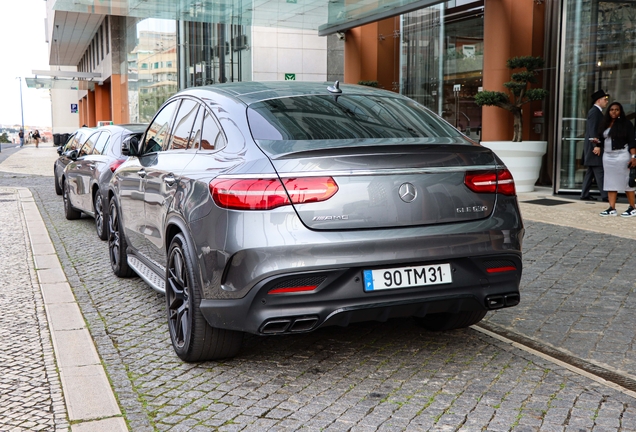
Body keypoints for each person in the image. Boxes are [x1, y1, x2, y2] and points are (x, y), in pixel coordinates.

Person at [595, 101, 636, 217]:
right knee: (610, 182)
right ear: (608, 111)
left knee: (627, 181)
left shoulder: (626, 124)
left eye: (616, 109)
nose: (614, 111)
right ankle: (612, 208)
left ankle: (632, 207)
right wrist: (597, 143)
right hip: (608, 156)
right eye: (611, 109)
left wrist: (634, 157)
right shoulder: (605, 123)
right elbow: (602, 139)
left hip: (622, 155)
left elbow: (632, 141)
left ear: (620, 111)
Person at [580, 89, 610, 201]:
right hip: (594, 147)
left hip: (593, 146)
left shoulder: (596, 111)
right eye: (605, 99)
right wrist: (596, 146)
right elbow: (593, 130)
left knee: (591, 171)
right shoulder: (594, 112)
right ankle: (606, 196)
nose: (606, 101)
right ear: (598, 100)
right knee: (599, 170)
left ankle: (584, 194)